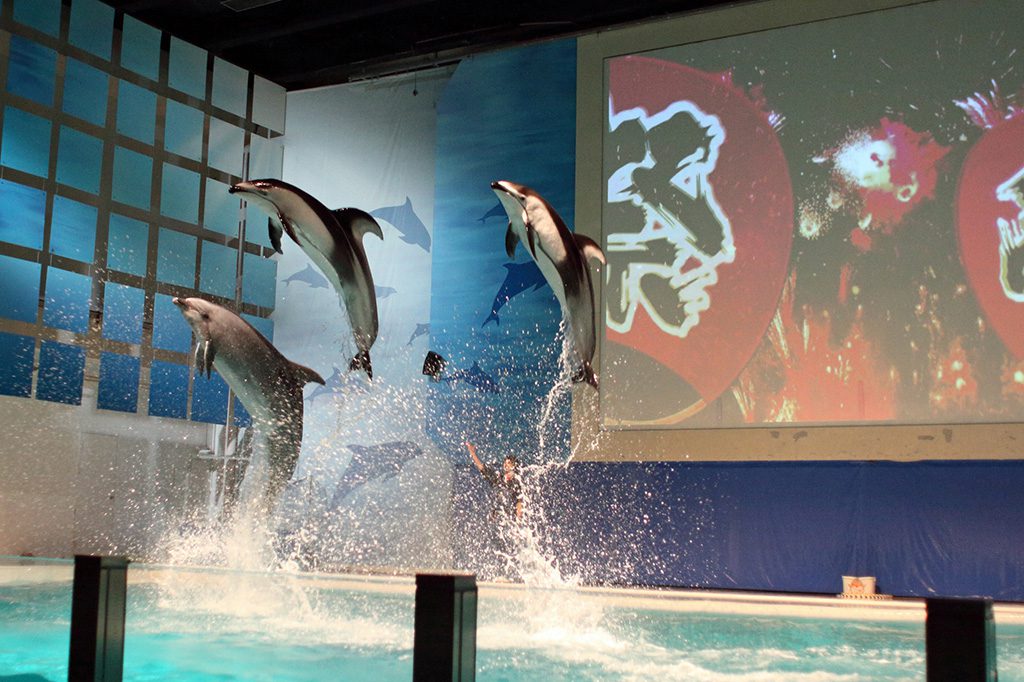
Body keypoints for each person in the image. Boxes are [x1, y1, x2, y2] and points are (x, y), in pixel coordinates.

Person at [465, 441, 523, 521]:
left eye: (509, 463)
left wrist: (518, 516)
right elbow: (482, 468)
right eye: (505, 463)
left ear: (514, 466)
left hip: (510, 517)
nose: (505, 465)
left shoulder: (516, 482)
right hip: (497, 514)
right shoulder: (498, 478)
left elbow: (519, 500)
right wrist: (473, 453)